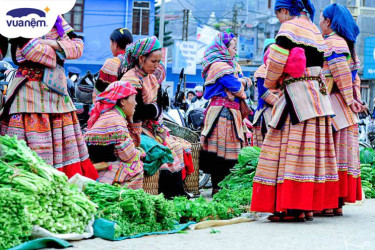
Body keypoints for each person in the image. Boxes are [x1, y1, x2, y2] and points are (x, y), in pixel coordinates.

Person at [250, 0, 339, 222]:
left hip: (296, 96)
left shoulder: (289, 28)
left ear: (284, 10)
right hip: (317, 97)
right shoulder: (315, 30)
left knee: (288, 148)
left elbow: (276, 60)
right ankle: (306, 207)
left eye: (278, 13)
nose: (278, 18)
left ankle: (291, 208)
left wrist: (272, 82)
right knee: (310, 152)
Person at [0, 16, 98, 180]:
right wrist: (60, 53)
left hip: (57, 96)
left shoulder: (56, 19)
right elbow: (27, 50)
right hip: (28, 96)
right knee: (26, 156)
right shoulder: (21, 17)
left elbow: (78, 46)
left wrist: (51, 44)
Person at [121, 36, 190, 198]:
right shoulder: (131, 79)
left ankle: (177, 195)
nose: (156, 66)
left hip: (150, 128)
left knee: (178, 149)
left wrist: (155, 109)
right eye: (153, 61)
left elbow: (155, 107)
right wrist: (155, 109)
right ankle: (169, 196)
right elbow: (137, 112)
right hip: (133, 129)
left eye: (159, 62)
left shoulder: (151, 78)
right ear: (141, 58)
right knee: (165, 153)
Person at [320, 3, 364, 215]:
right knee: (339, 157)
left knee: (330, 156)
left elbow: (341, 75)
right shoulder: (347, 44)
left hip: (333, 105)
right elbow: (354, 79)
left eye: (321, 19)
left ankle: (329, 204)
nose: (318, 23)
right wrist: (354, 99)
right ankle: (336, 204)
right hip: (345, 109)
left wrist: (349, 99)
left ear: (328, 22)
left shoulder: (333, 43)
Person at [199, 31, 251, 195]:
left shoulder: (232, 65)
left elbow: (239, 85)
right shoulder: (219, 66)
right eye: (233, 47)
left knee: (229, 152)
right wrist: (242, 83)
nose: (236, 51)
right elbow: (237, 88)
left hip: (231, 113)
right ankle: (218, 188)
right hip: (222, 114)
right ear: (223, 48)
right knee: (220, 153)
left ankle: (223, 188)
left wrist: (240, 83)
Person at [84, 81, 144, 189]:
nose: (136, 103)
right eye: (133, 99)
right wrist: (139, 153)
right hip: (104, 166)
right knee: (136, 166)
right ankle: (122, 197)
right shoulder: (116, 120)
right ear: (122, 102)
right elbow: (128, 156)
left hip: (100, 161)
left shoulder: (110, 115)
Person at [252, 39, 279, 148]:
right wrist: (281, 103)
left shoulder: (279, 70)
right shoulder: (262, 71)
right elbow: (264, 93)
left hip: (278, 111)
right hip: (266, 111)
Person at [93, 28, 133, 99]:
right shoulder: (135, 60)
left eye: (110, 42)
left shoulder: (112, 63)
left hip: (116, 107)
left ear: (115, 44)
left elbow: (100, 92)